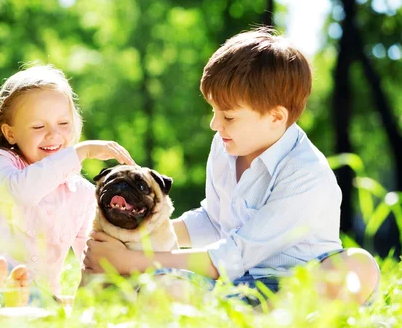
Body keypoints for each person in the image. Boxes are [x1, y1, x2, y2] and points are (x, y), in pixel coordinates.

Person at [83, 28, 380, 306]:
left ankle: (279, 320)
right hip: (235, 286)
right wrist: (130, 236)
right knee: (161, 287)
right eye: (214, 112)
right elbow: (214, 221)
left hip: (296, 288)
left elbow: (231, 256)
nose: (215, 125)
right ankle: (250, 318)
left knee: (356, 265)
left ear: (276, 117)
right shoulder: (226, 146)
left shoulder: (305, 174)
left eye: (228, 117)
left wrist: (127, 261)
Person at [0, 64, 135, 308]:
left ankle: (9, 301)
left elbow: (92, 257)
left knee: (43, 300)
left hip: (31, 289)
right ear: (10, 133)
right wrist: (80, 152)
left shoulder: (82, 194)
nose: (53, 135)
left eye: (63, 123)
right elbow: (24, 192)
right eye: (38, 127)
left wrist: (106, 292)